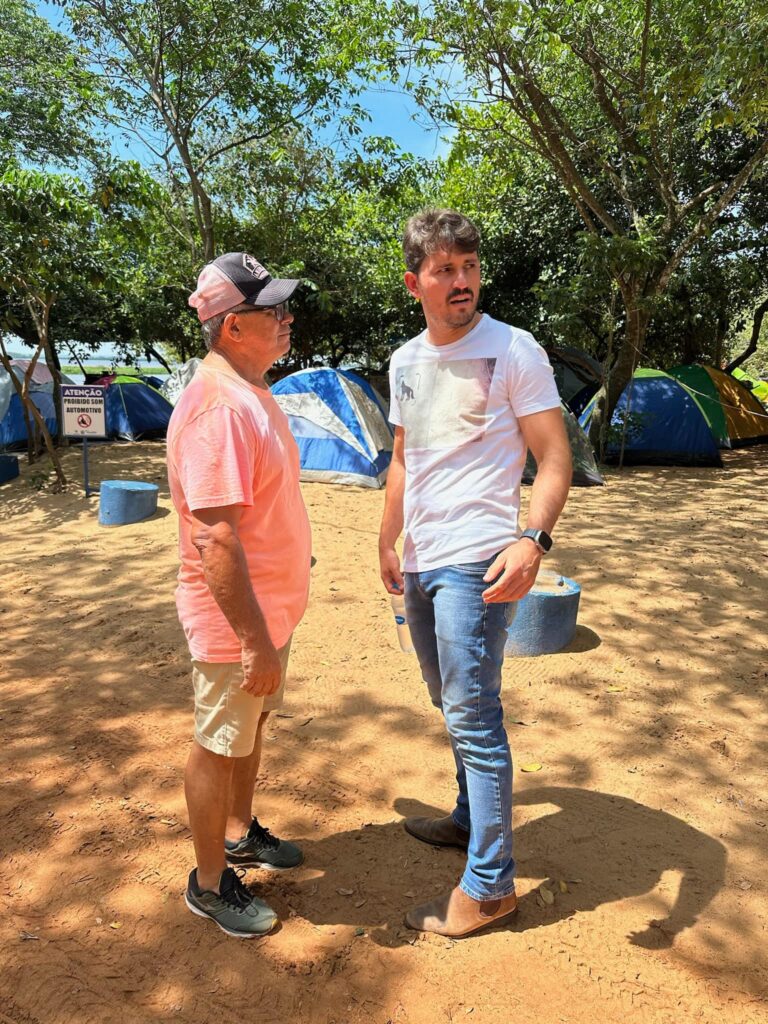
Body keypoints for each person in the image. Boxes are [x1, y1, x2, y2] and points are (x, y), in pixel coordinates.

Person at [379, 210, 572, 938]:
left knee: (475, 712)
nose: (461, 282)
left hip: (481, 558)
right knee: (445, 696)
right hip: (423, 557)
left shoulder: (515, 349)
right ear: (415, 282)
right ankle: (469, 818)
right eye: (444, 270)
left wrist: (534, 539)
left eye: (469, 267)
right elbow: (404, 458)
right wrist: (386, 540)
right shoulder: (404, 362)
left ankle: (491, 885)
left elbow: (553, 456)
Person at [167, 252, 312, 939]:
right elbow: (214, 542)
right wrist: (252, 638)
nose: (286, 320)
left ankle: (238, 832)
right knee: (218, 742)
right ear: (231, 328)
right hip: (236, 622)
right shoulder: (219, 409)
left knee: (248, 730)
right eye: (272, 310)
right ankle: (206, 885)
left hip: (267, 611)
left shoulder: (252, 388)